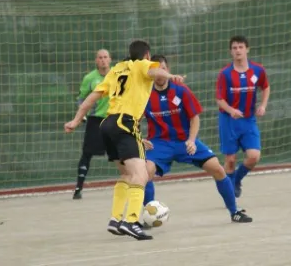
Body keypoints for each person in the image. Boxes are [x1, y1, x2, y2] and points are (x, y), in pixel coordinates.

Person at [64, 40, 185, 240]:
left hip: (108, 125)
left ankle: (115, 219)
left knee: (127, 175)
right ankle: (131, 221)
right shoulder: (142, 65)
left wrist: (76, 120)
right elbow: (156, 72)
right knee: (141, 175)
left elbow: (93, 97)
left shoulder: (117, 70)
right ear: (147, 56)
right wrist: (172, 76)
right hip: (125, 123)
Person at [142, 55, 252, 223]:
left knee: (217, 168)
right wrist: (140, 139)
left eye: (163, 68)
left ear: (168, 70)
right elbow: (131, 119)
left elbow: (194, 117)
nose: (160, 73)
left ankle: (234, 211)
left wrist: (192, 140)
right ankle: (148, 216)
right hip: (159, 143)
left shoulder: (181, 90)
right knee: (145, 172)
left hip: (184, 141)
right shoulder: (144, 94)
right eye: (156, 69)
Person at [216, 35, 270, 198]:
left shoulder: (257, 70)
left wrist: (262, 105)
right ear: (230, 52)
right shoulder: (225, 74)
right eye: (234, 48)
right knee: (230, 160)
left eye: (240, 47)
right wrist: (231, 110)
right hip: (229, 121)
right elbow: (219, 99)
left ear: (247, 49)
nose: (238, 50)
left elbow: (266, 87)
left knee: (254, 156)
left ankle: (237, 180)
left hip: (248, 120)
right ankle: (230, 192)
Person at [70, 49, 112, 200]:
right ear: (96, 60)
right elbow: (81, 99)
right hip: (95, 120)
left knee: (123, 154)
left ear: (110, 59)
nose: (103, 60)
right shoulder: (90, 78)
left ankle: (132, 183)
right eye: (100, 57)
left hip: (114, 119)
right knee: (87, 153)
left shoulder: (117, 75)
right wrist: (82, 116)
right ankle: (78, 188)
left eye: (105, 57)